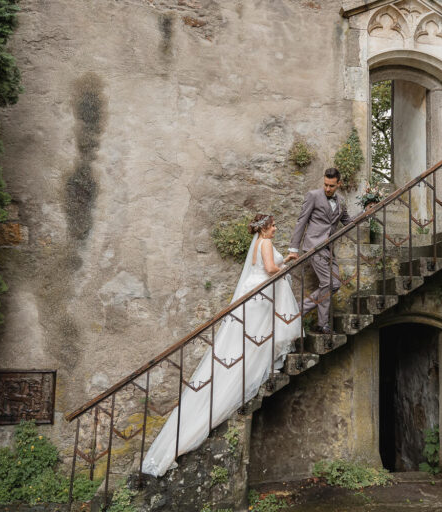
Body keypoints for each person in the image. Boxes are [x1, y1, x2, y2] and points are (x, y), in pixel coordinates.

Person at [141, 214, 300, 477]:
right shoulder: (266, 243)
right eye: (272, 226)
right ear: (264, 228)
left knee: (247, 341)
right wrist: (286, 265)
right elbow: (271, 269)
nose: (275, 228)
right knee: (255, 340)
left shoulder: (257, 244)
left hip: (255, 294)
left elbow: (264, 267)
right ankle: (247, 376)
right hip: (260, 297)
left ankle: (246, 371)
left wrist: (287, 260)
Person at [287, 168, 353, 334]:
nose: (327, 188)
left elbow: (349, 222)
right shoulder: (313, 196)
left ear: (339, 184)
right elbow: (301, 221)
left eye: (331, 186)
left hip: (329, 249)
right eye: (325, 184)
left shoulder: (341, 201)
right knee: (327, 283)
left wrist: (367, 212)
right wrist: (294, 248)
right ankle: (322, 324)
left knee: (335, 283)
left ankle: (299, 309)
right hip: (314, 247)